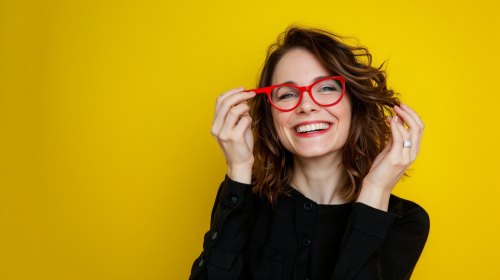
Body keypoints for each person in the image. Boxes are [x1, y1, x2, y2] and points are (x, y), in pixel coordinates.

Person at [189, 25, 430, 280]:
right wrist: (238, 169)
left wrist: (376, 191)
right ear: (271, 116)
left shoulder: (405, 222)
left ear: (354, 103)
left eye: (326, 88)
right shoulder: (243, 199)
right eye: (288, 94)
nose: (306, 105)